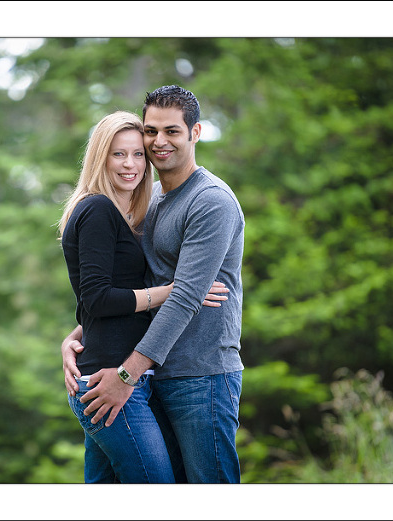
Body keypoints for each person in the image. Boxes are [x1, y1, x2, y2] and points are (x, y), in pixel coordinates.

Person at [61, 85, 245, 484]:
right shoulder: (153, 198)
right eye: (151, 131)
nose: (159, 142)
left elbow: (182, 300)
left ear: (195, 133)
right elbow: (137, 287)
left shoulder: (211, 201)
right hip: (151, 372)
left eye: (172, 131)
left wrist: (124, 376)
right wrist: (78, 337)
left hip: (200, 374)